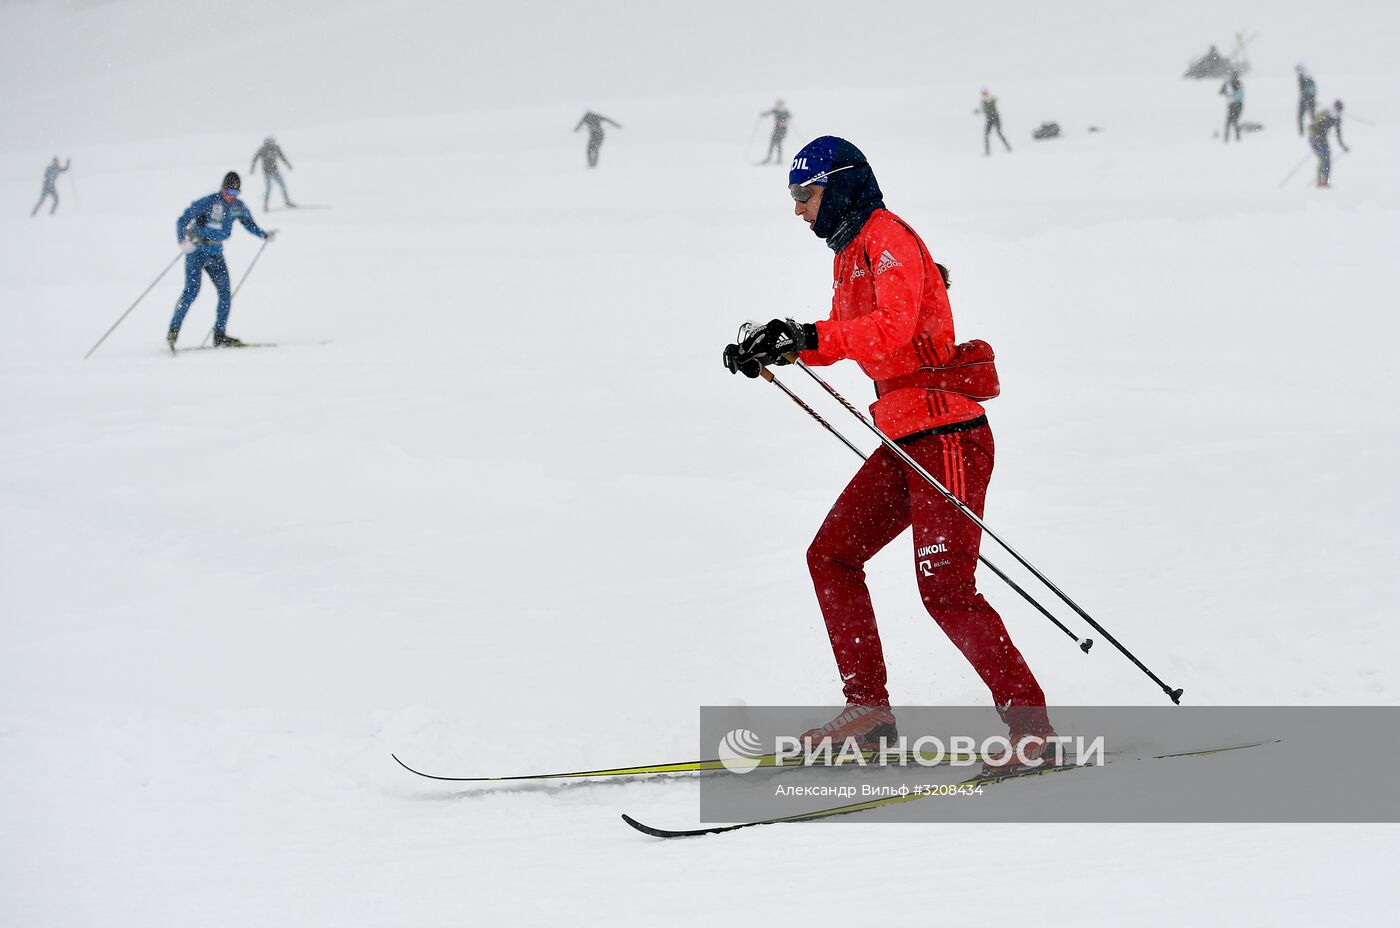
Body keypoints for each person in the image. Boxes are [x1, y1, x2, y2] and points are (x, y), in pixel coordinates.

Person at [722, 137, 1054, 774]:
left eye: (805, 194)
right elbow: (845, 337)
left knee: (945, 589)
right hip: (905, 439)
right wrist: (781, 345)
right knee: (831, 556)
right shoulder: (850, 254)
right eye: (793, 197)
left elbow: (890, 330)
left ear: (840, 184)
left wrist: (808, 335)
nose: (798, 210)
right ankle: (869, 713)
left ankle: (1032, 728)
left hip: (947, 433)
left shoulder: (887, 237)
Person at [167, 172, 275, 350]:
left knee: (225, 294)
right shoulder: (209, 202)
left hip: (216, 254)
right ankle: (173, 331)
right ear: (222, 188)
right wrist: (182, 241)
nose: (231, 196)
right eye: (228, 192)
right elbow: (182, 219)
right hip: (197, 252)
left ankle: (219, 335)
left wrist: (263, 234)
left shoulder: (238, 207)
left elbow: (248, 223)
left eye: (235, 193)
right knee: (191, 291)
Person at [1308, 102, 1349, 188]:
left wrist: (1342, 145)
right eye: (1338, 109)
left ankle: (1326, 181)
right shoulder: (1326, 115)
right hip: (1314, 138)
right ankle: (1319, 181)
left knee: (1327, 159)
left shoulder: (1337, 119)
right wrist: (1317, 137)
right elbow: (1312, 126)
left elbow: (1338, 134)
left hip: (1323, 139)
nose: (1339, 112)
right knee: (1323, 158)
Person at [249, 136, 296, 211]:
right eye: (269, 143)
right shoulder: (262, 149)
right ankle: (265, 205)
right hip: (266, 172)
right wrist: (252, 168)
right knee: (269, 188)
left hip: (275, 171)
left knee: (282, 185)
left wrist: (288, 165)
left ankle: (287, 201)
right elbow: (255, 158)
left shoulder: (276, 148)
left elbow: (282, 157)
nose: (271, 145)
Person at [978, 90, 1011, 156]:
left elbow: (997, 99)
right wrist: (977, 111)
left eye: (985, 94)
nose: (985, 95)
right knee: (987, 135)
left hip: (995, 118)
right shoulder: (983, 102)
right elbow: (983, 110)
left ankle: (1008, 147)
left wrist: (990, 99)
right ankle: (987, 151)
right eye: (984, 94)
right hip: (989, 119)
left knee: (998, 133)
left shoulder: (992, 99)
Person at [759, 100, 791, 164]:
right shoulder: (776, 110)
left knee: (778, 143)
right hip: (776, 129)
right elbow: (768, 113)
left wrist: (784, 120)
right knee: (772, 142)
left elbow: (789, 116)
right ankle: (769, 158)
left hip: (782, 129)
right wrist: (763, 114)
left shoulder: (785, 111)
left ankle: (779, 159)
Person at [1220, 72, 1244, 143]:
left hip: (1232, 104)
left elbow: (1221, 92)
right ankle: (1237, 138)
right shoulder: (1239, 83)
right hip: (1239, 104)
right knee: (1235, 121)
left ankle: (1226, 139)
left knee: (1229, 122)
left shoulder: (1228, 84)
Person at [1295, 66, 1317, 136]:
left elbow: (1304, 90)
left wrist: (1307, 98)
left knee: (1302, 116)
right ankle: (1314, 130)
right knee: (1312, 116)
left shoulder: (1303, 79)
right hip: (1309, 100)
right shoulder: (1307, 79)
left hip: (1306, 100)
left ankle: (1303, 132)